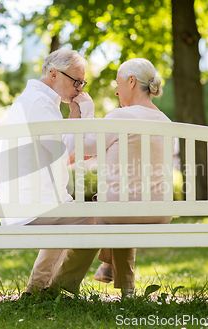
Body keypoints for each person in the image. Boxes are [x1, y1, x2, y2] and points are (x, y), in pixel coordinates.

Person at [50, 58, 173, 297]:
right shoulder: (165, 120)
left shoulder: (122, 116)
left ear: (131, 81)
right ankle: (124, 287)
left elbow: (83, 144)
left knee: (97, 215)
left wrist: (85, 110)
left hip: (121, 211)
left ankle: (61, 286)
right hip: (160, 212)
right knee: (124, 205)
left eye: (118, 84)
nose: (116, 91)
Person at [0, 49, 96, 294]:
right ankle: (57, 289)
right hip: (28, 204)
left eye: (82, 82)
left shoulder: (38, 101)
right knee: (94, 220)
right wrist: (87, 113)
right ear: (53, 74)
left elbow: (59, 154)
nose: (80, 89)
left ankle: (38, 289)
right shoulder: (38, 103)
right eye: (76, 81)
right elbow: (69, 149)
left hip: (29, 200)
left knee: (73, 214)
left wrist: (73, 116)